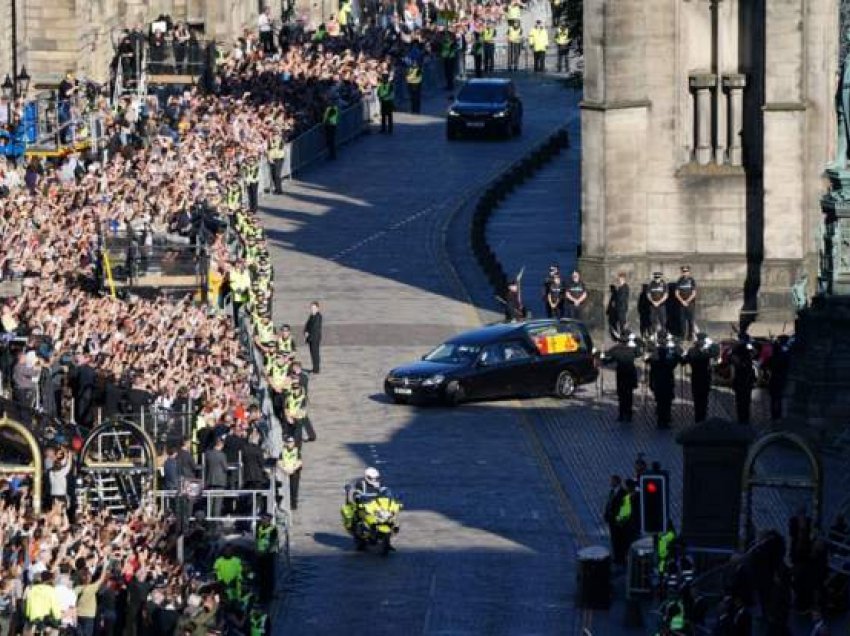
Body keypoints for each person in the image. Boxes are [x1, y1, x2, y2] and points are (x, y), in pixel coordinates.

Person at [603, 332, 641, 423]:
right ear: (628, 341)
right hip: (630, 374)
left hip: (621, 375)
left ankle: (621, 414)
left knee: (621, 395)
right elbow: (639, 353)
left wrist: (601, 358)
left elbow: (607, 356)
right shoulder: (632, 349)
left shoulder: (616, 349)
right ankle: (629, 415)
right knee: (629, 395)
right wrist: (636, 340)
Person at [683, 333, 715, 423]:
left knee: (698, 400)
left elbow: (684, 360)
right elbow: (715, 352)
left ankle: (699, 419)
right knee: (702, 400)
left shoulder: (692, 351)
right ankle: (702, 418)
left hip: (697, 377)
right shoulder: (707, 351)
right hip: (703, 377)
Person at [649, 338, 679, 429]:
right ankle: (666, 420)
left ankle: (660, 420)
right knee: (667, 402)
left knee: (660, 402)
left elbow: (652, 369)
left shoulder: (655, 355)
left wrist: (651, 382)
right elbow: (674, 363)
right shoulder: (669, 355)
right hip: (667, 381)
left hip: (658, 381)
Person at [255, 512, 278, 604]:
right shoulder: (259, 527)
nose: (262, 520)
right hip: (260, 554)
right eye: (262, 518)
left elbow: (273, 542)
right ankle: (262, 595)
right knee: (261, 575)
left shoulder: (273, 529)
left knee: (269, 575)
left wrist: (266, 551)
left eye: (264, 519)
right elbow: (257, 539)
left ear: (269, 520)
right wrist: (257, 550)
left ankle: (270, 594)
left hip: (269, 554)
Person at [730, 338, 755, 424]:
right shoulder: (747, 354)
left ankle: (742, 419)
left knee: (741, 402)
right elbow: (754, 353)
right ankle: (744, 419)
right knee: (745, 402)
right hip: (746, 381)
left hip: (741, 381)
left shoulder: (736, 354)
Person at [767, 335, 792, 421]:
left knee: (774, 399)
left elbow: (767, 366)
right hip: (781, 378)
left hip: (774, 379)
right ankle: (779, 415)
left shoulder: (773, 357)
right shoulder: (785, 355)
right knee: (779, 398)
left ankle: (774, 415)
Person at [203, 435, 228, 517]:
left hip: (210, 481)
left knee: (209, 503)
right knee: (217, 504)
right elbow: (225, 467)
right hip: (220, 482)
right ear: (221, 445)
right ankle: (215, 522)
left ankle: (208, 520)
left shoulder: (208, 454)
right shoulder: (222, 455)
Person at [285, 377, 316, 443]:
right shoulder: (289, 396)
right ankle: (294, 437)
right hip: (291, 414)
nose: (295, 390)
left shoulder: (303, 395)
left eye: (297, 388)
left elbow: (306, 406)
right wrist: (289, 416)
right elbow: (286, 408)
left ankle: (311, 435)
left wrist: (303, 412)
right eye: (294, 388)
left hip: (298, 412)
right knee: (298, 423)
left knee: (305, 418)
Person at [604, 475, 627, 565]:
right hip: (611, 521)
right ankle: (616, 557)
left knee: (619, 539)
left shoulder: (623, 493)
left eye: (612, 481)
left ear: (617, 482)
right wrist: (606, 514)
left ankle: (620, 558)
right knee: (614, 539)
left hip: (618, 521)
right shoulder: (612, 492)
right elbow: (609, 504)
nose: (611, 483)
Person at [279, 436, 302, 510]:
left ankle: (293, 505)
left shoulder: (296, 451)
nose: (290, 444)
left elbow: (299, 462)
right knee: (283, 489)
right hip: (285, 473)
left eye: (291, 442)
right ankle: (284, 504)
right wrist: (285, 469)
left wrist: (292, 469)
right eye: (288, 442)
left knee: (294, 489)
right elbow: (279, 462)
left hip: (294, 473)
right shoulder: (283, 451)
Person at [675, 265, 697, 340]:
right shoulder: (679, 280)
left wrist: (687, 301)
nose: (685, 272)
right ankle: (683, 336)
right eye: (683, 271)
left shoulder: (692, 280)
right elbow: (677, 293)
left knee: (690, 321)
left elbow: (694, 293)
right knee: (682, 321)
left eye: (686, 271)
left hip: (690, 304)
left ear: (689, 272)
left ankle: (690, 336)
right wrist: (682, 301)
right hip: (682, 304)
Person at [608, 273, 630, 339]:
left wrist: (616, 301)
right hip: (618, 308)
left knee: (622, 322)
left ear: (623, 279)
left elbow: (621, 298)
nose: (619, 280)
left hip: (622, 308)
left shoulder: (625, 287)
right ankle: (620, 335)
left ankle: (624, 336)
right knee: (618, 322)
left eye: (620, 279)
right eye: (619, 279)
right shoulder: (620, 287)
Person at [304, 301, 323, 374]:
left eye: (314, 308)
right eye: (311, 308)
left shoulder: (318, 317)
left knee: (315, 353)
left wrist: (308, 333)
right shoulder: (311, 316)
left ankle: (316, 369)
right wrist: (305, 331)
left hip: (315, 338)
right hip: (310, 338)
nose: (312, 309)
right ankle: (314, 368)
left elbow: (314, 327)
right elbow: (307, 324)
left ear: (318, 308)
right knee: (312, 353)